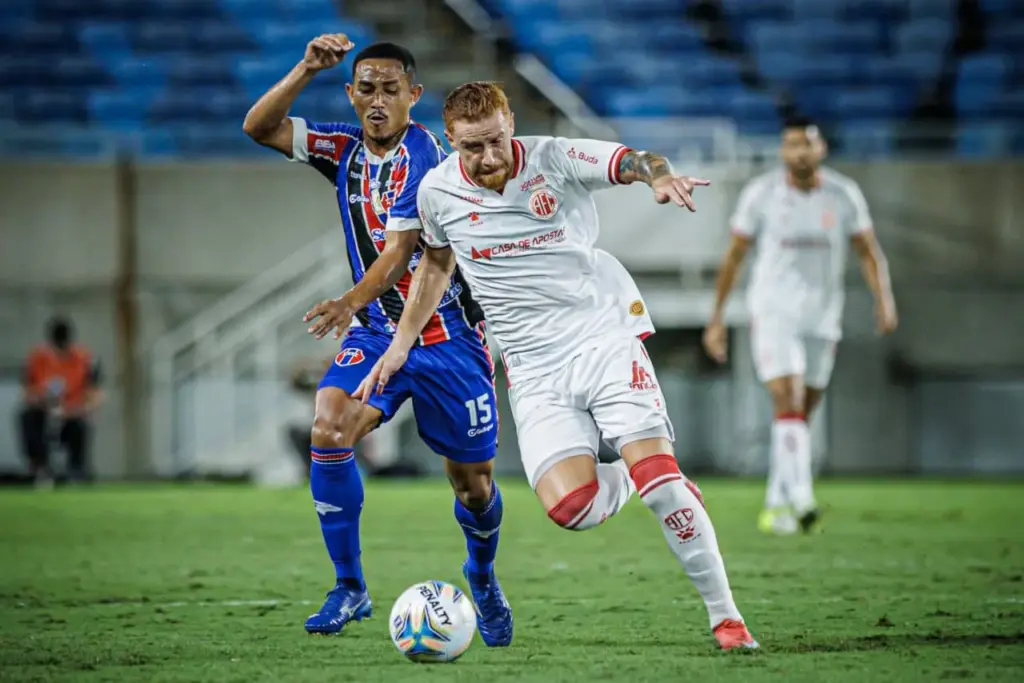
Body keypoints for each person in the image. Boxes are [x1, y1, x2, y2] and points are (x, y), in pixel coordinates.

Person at [356, 82, 758, 651]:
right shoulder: (437, 192)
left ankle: (726, 618)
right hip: (532, 368)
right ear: (450, 140)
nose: (488, 157)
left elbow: (633, 160)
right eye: (472, 147)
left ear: (510, 125)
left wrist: (659, 176)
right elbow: (436, 266)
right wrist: (401, 343)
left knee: (661, 488)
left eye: (496, 141)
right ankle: (643, 477)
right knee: (572, 508)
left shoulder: (555, 157)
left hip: (602, 338)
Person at [242, 39, 512, 644]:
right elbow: (259, 128)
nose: (378, 100)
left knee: (473, 485)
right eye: (366, 88)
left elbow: (401, 250)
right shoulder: (342, 149)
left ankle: (483, 574)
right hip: (376, 333)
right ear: (351, 93)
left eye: (391, 89)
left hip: (447, 338)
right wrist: (305, 68)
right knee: (328, 427)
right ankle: (349, 586)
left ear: (414, 96)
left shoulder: (428, 155)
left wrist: (347, 301)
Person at [702, 117, 898, 536]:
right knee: (787, 399)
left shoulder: (843, 194)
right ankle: (805, 499)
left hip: (823, 316)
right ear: (783, 151)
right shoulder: (762, 194)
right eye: (792, 144)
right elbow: (734, 255)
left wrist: (884, 299)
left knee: (800, 414)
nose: (800, 152)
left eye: (807, 144)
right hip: (774, 311)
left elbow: (868, 251)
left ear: (821, 148)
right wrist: (716, 317)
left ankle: (776, 504)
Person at [19, 317, 102, 486]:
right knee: (27, 417)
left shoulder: (83, 359)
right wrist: (44, 402)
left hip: (72, 414)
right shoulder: (38, 359)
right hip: (44, 412)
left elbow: (95, 394)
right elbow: (26, 393)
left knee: (81, 426)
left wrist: (77, 409)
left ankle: (77, 469)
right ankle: (39, 467)